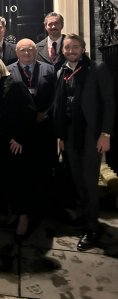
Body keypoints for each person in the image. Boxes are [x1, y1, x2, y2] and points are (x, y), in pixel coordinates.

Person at [54, 34, 115, 251]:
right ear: (62, 50)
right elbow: (60, 105)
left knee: (89, 182)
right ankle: (87, 217)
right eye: (67, 47)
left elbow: (109, 102)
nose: (71, 50)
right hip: (70, 134)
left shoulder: (96, 68)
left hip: (91, 133)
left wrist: (105, 134)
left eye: (75, 47)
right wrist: (61, 136)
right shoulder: (62, 71)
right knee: (78, 179)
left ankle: (92, 227)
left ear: (83, 48)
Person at [0, 56, 37, 240]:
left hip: (17, 142)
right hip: (1, 142)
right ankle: (14, 211)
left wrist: (20, 138)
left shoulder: (15, 86)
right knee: (9, 180)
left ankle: (23, 218)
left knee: (20, 181)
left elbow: (30, 112)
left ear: (1, 70)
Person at [7, 39, 56, 213]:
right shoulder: (7, 71)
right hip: (20, 131)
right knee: (21, 172)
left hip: (43, 128)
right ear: (17, 52)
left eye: (30, 50)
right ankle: (22, 210)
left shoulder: (49, 69)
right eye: (22, 50)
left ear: (36, 51)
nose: (26, 53)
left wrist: (47, 113)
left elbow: (56, 97)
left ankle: (42, 208)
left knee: (42, 169)